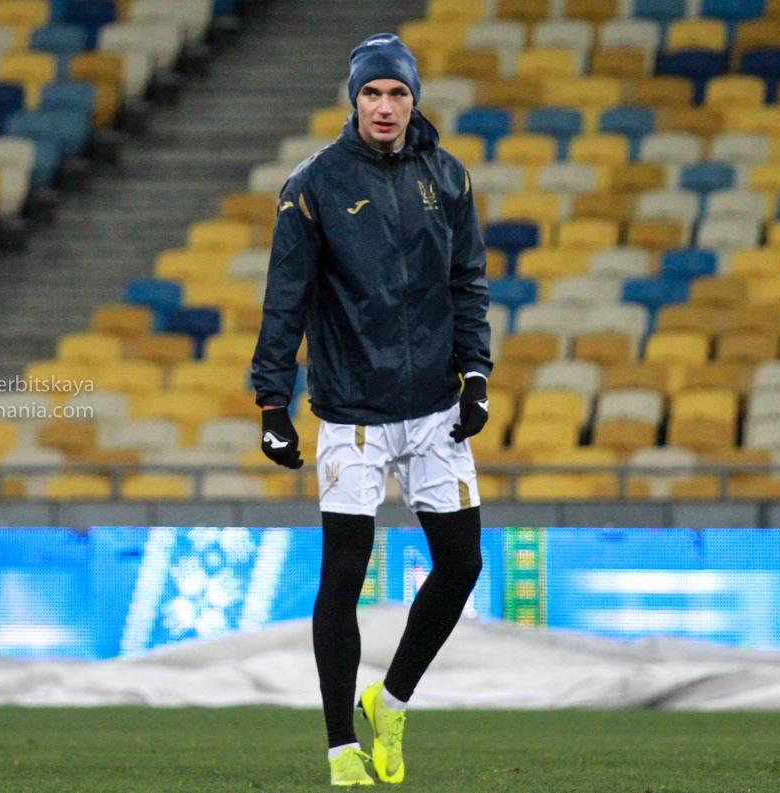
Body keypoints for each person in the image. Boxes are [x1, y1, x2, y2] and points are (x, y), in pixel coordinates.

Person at [250, 33, 492, 787]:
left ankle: (389, 701)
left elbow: (468, 282)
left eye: (397, 93)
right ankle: (339, 748)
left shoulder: (447, 176)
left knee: (462, 564)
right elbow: (285, 299)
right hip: (352, 412)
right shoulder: (313, 185)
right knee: (343, 577)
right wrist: (272, 400)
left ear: (414, 99)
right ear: (353, 99)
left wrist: (476, 374)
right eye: (372, 93)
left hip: (434, 408)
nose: (385, 106)